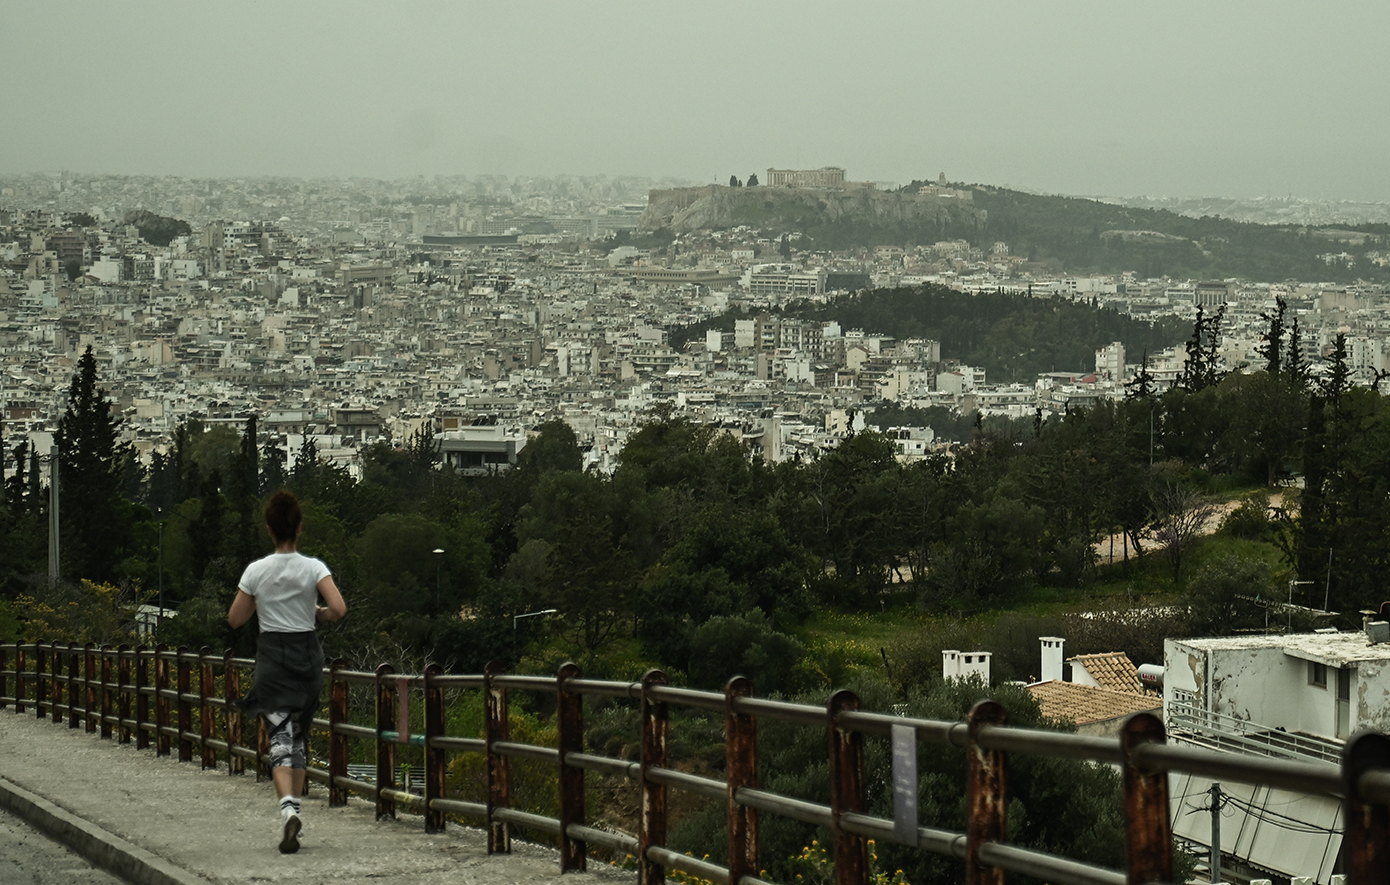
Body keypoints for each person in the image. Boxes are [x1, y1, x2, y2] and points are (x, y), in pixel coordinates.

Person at [228, 490, 346, 854]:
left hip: (273, 659)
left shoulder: (256, 571)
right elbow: (339, 608)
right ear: (299, 527)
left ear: (269, 529)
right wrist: (317, 613)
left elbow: (235, 620)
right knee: (298, 738)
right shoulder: (313, 568)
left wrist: (263, 604)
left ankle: (288, 810)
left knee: (279, 737)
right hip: (307, 657)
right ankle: (295, 808)